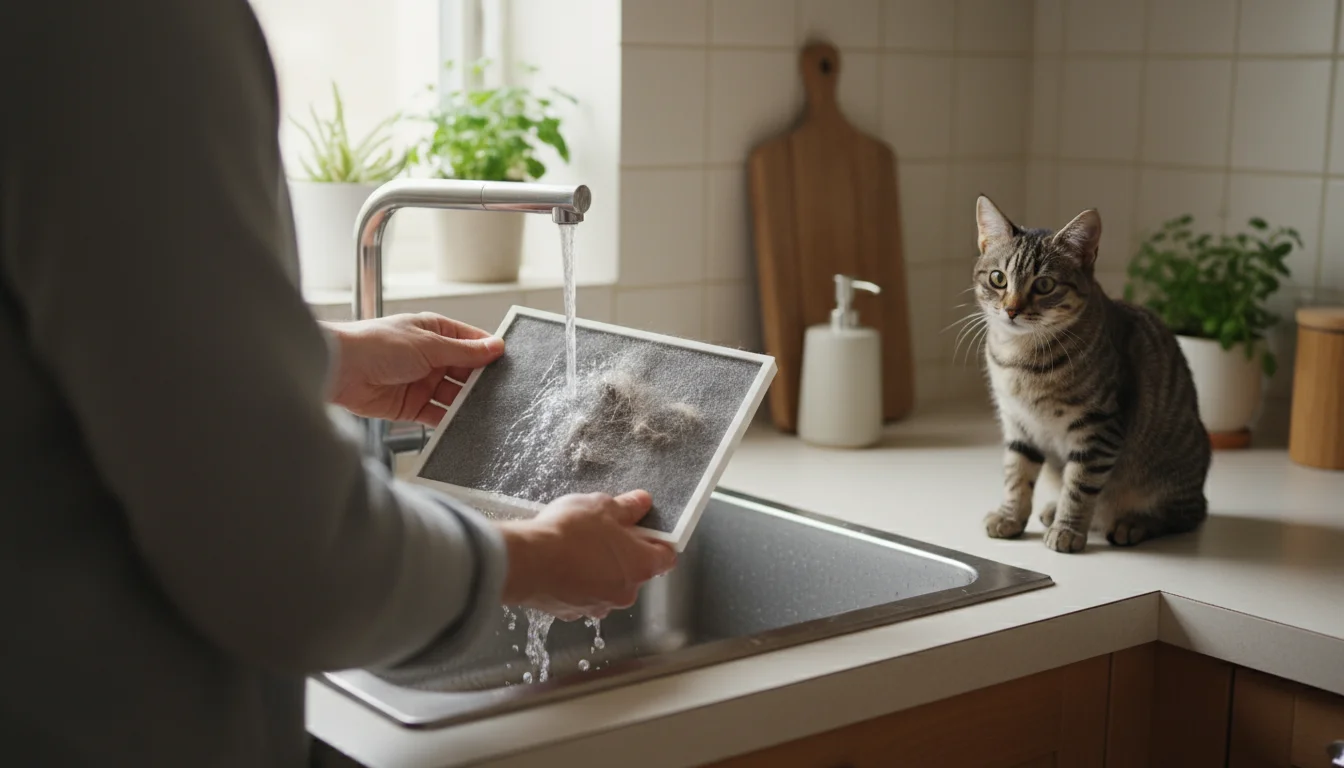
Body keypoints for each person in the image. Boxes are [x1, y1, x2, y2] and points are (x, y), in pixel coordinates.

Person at [0, 1, 676, 766]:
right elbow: (291, 563)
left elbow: (86, 339)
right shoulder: (131, 26)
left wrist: (315, 359)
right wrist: (537, 559)